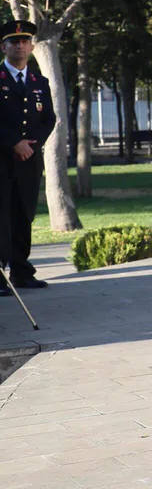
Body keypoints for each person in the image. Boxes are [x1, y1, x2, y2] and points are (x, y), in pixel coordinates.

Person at [0, 20, 56, 294]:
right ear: (4, 47)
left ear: (32, 47)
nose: (19, 46)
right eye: (13, 42)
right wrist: (14, 143)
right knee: (1, 215)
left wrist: (33, 145)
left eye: (24, 42)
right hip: (2, 159)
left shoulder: (39, 82)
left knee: (24, 213)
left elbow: (49, 118)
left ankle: (22, 271)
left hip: (29, 161)